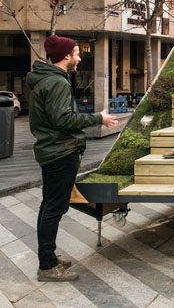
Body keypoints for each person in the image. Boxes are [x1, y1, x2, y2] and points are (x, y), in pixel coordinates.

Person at [26, 35, 118, 282]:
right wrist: (98, 118)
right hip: (60, 151)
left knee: (50, 206)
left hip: (52, 150)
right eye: (77, 53)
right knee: (53, 208)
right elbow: (63, 119)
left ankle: (49, 258)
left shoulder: (46, 79)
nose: (79, 57)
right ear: (66, 56)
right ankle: (47, 266)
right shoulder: (57, 83)